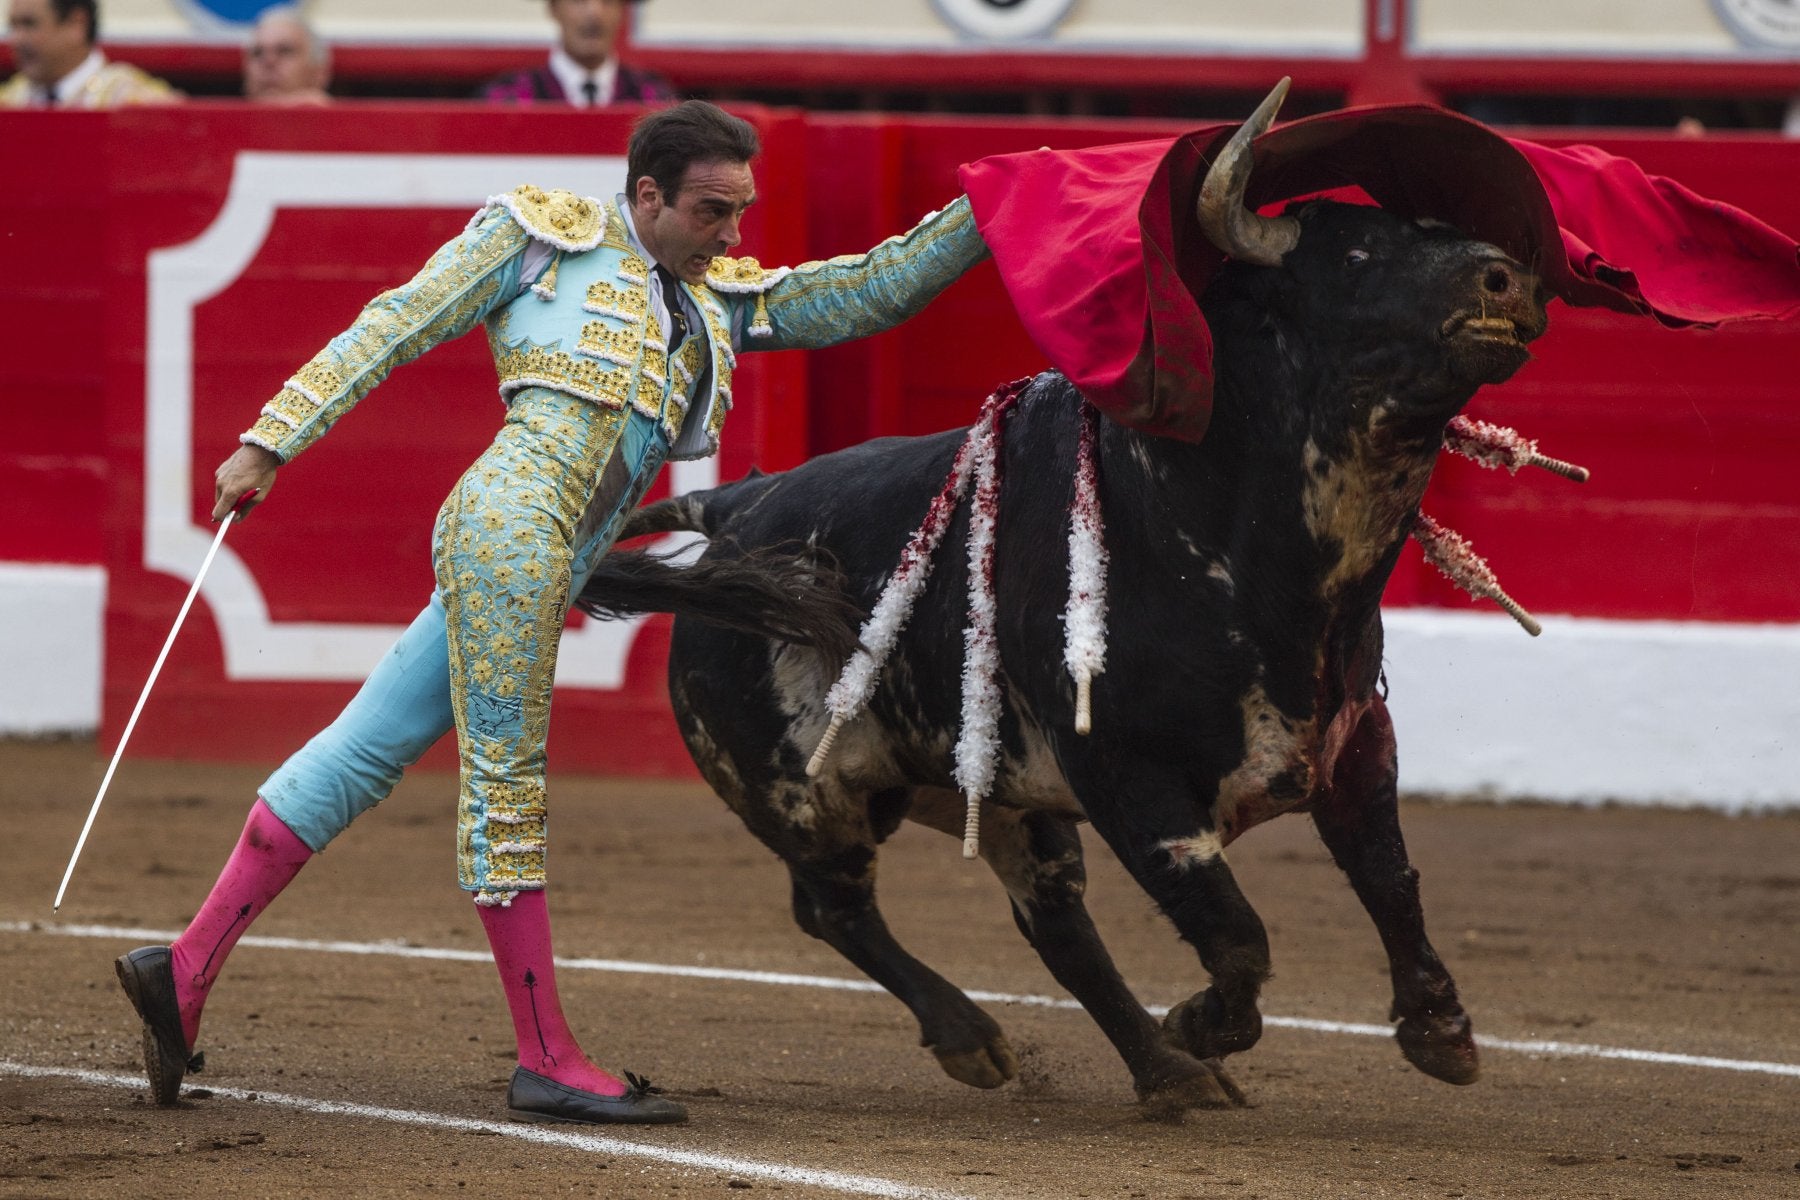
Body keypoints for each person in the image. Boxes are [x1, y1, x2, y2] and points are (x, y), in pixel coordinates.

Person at [114, 100, 989, 1127]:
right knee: (506, 791)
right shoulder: (538, 240)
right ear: (649, 196)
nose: (732, 235)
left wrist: (993, 210)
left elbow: (866, 292)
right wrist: (272, 439)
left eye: (740, 213)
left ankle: (183, 968)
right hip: (511, 534)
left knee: (362, 750)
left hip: (550, 554)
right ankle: (544, 1055)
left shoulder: (713, 300)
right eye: (713, 212)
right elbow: (397, 322)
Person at [478, 0, 675, 107]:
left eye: (607, 1)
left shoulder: (654, 99)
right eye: (578, 1)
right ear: (553, 8)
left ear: (623, 11)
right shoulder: (507, 99)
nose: (594, 12)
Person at [1, 0, 176, 107]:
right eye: (13, 26)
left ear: (77, 24)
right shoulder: (9, 101)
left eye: (29, 24)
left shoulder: (136, 100)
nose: (16, 39)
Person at [243, 4, 330, 106]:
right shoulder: (221, 120)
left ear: (319, 72)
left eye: (285, 51)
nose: (269, 61)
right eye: (257, 53)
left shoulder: (344, 121)